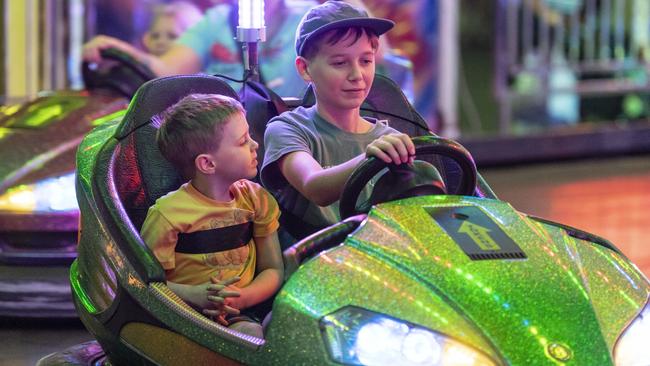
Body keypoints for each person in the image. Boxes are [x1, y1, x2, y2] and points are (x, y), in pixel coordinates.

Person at [260, 1, 415, 242]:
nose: (357, 75)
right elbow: (315, 187)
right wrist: (370, 157)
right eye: (340, 63)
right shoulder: (288, 129)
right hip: (313, 263)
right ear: (305, 69)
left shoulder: (388, 138)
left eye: (366, 61)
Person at [140, 94, 284, 338]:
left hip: (239, 315)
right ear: (207, 164)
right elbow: (144, 283)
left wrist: (242, 298)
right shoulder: (167, 215)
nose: (255, 145)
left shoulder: (256, 200)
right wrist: (194, 295)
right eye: (242, 141)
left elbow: (273, 269)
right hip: (180, 318)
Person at [83, 0, 317, 97]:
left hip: (295, 133)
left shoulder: (310, 17)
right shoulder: (218, 20)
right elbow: (166, 70)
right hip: (223, 138)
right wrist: (118, 50)